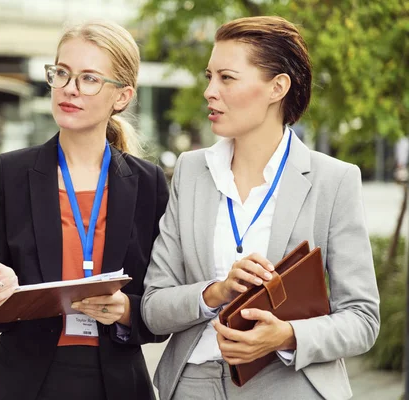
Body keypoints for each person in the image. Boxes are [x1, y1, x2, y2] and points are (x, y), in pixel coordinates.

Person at [141, 16, 380, 400]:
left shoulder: (333, 180)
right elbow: (153, 307)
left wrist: (285, 336)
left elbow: (363, 319)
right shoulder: (190, 171)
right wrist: (216, 292)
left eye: (227, 78)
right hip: (192, 385)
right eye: (209, 77)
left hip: (288, 384)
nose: (209, 91)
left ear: (277, 87)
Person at [0, 21, 169, 400]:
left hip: (116, 384)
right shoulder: (7, 174)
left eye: (89, 78)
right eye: (62, 73)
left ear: (122, 96)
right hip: (23, 383)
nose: (69, 89)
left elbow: (160, 312)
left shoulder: (148, 183)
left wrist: (126, 309)